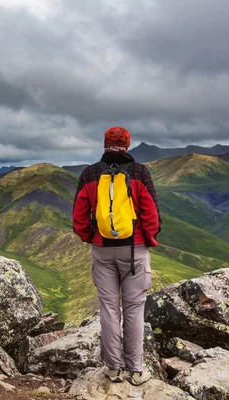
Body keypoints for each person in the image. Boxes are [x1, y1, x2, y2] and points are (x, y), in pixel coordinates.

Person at [72, 126, 161, 385]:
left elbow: (79, 216)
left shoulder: (89, 173)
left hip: (102, 251)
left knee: (109, 309)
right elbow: (151, 213)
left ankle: (113, 369)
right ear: (128, 144)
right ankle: (135, 370)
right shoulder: (140, 172)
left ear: (104, 144)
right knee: (134, 309)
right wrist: (149, 239)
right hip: (135, 250)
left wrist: (91, 237)